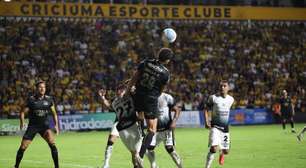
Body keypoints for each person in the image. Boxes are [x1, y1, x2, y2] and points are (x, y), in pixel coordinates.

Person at [127, 48, 173, 168]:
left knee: (140, 118)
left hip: (138, 95)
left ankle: (140, 137)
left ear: (158, 55)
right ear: (167, 60)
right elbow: (161, 90)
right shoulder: (165, 73)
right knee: (152, 130)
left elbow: (135, 77)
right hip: (150, 99)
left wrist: (128, 90)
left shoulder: (146, 62)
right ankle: (140, 156)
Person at [14, 81, 60, 168]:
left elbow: (54, 113)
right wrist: (22, 123)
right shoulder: (31, 100)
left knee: (52, 144)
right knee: (23, 146)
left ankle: (57, 167)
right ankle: (16, 166)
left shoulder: (49, 99)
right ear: (36, 89)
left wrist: (56, 125)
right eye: (40, 87)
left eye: (44, 87)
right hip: (33, 126)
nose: (42, 89)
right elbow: (23, 112)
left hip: (45, 126)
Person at [98, 84, 143, 168]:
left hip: (132, 124)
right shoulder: (116, 100)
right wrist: (103, 98)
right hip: (120, 123)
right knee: (111, 140)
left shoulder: (130, 97)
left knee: (134, 152)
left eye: (121, 89)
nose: (118, 91)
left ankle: (136, 165)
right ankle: (106, 164)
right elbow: (109, 106)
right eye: (118, 90)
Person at [146, 92, 183, 168]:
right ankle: (154, 166)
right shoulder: (149, 97)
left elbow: (177, 109)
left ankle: (180, 166)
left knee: (169, 149)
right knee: (149, 148)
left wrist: (174, 121)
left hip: (167, 129)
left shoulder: (167, 97)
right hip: (154, 130)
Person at [204, 80, 234, 168]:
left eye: (224, 86)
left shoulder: (231, 99)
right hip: (215, 127)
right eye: (221, 86)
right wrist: (206, 121)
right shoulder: (213, 98)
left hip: (225, 128)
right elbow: (206, 109)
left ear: (228, 88)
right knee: (213, 148)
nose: (222, 88)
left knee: (226, 151)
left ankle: (222, 152)